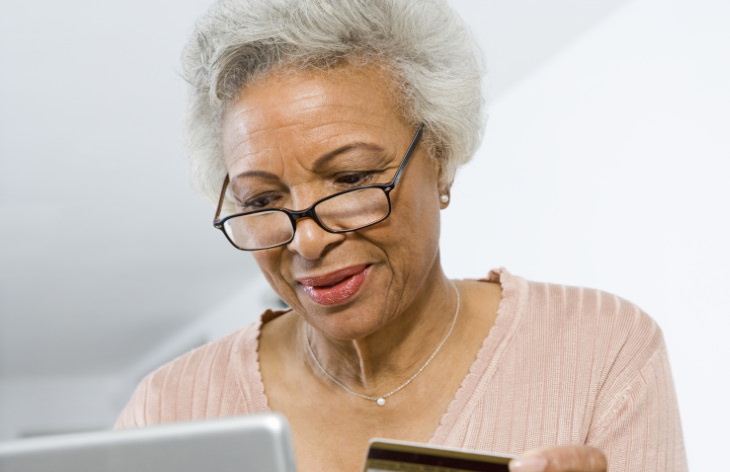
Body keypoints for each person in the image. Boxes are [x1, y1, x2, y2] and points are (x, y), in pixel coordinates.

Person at [116, 1, 687, 471]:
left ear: (439, 159)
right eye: (263, 200)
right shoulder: (171, 409)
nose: (307, 244)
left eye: (351, 178)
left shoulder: (602, 351)